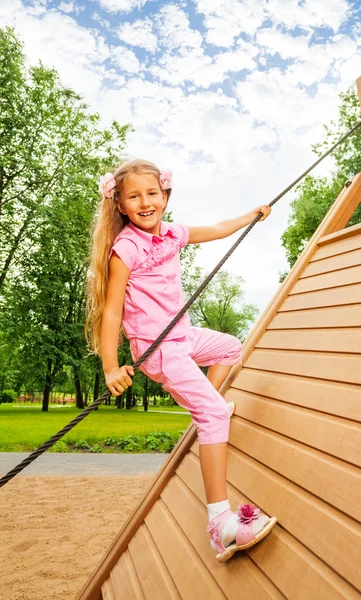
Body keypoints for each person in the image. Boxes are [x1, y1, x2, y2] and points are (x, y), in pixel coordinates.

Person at [85, 158, 277, 563]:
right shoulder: (125, 249)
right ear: (119, 204)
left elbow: (217, 230)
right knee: (214, 416)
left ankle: (206, 408)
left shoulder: (173, 234)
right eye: (133, 196)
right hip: (158, 350)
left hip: (182, 337)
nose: (145, 201)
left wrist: (252, 216)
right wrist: (109, 365)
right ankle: (221, 523)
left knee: (229, 347)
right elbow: (112, 312)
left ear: (165, 196)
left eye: (152, 193)